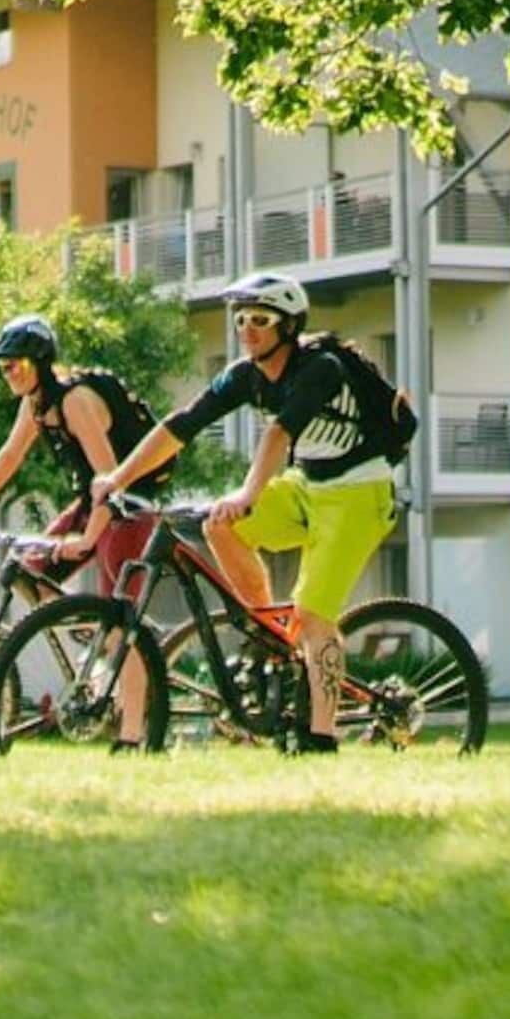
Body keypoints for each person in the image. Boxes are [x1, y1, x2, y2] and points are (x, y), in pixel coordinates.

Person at [93, 272, 400, 752]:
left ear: (288, 326)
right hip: (310, 484)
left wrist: (249, 493)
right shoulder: (245, 376)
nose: (247, 328)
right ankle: (271, 634)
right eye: (240, 319)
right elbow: (181, 425)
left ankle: (321, 737)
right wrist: (118, 478)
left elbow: (278, 435)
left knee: (315, 616)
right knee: (221, 526)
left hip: (360, 492)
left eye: (260, 319)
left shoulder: (321, 369)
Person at [0, 313, 160, 748]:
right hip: (91, 502)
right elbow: (10, 456)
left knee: (123, 623)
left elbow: (109, 476)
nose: (9, 374)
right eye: (3, 367)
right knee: (28, 570)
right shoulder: (36, 404)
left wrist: (86, 538)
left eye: (17, 365)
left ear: (41, 363)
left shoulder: (76, 402)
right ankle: (93, 642)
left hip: (128, 506)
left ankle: (133, 734)